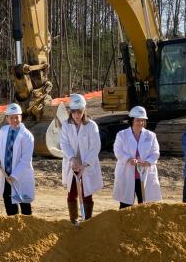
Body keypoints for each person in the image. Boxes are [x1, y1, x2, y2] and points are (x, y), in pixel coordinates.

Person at [59, 94, 104, 224]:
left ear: (84, 110)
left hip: (86, 165)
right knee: (72, 193)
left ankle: (87, 221)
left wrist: (84, 164)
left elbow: (95, 147)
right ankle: (73, 221)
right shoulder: (66, 125)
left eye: (79, 111)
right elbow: (64, 144)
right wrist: (73, 159)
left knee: (86, 193)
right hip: (72, 164)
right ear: (70, 111)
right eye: (74, 112)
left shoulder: (91, 126)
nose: (76, 115)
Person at [113, 106, 162, 208]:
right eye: (138, 120)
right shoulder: (122, 135)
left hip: (144, 174)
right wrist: (128, 159)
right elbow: (118, 150)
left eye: (142, 120)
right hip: (127, 172)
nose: (140, 123)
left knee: (145, 203)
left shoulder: (151, 135)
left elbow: (155, 152)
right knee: (125, 204)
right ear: (132, 120)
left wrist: (148, 161)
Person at [0, 103, 35, 215]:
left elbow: (25, 159)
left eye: (17, 117)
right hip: (6, 173)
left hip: (20, 174)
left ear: (21, 117)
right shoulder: (3, 130)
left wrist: (14, 175)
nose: (14, 120)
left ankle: (27, 224)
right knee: (8, 200)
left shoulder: (27, 136)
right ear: (7, 118)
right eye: (11, 118)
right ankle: (12, 223)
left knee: (23, 202)